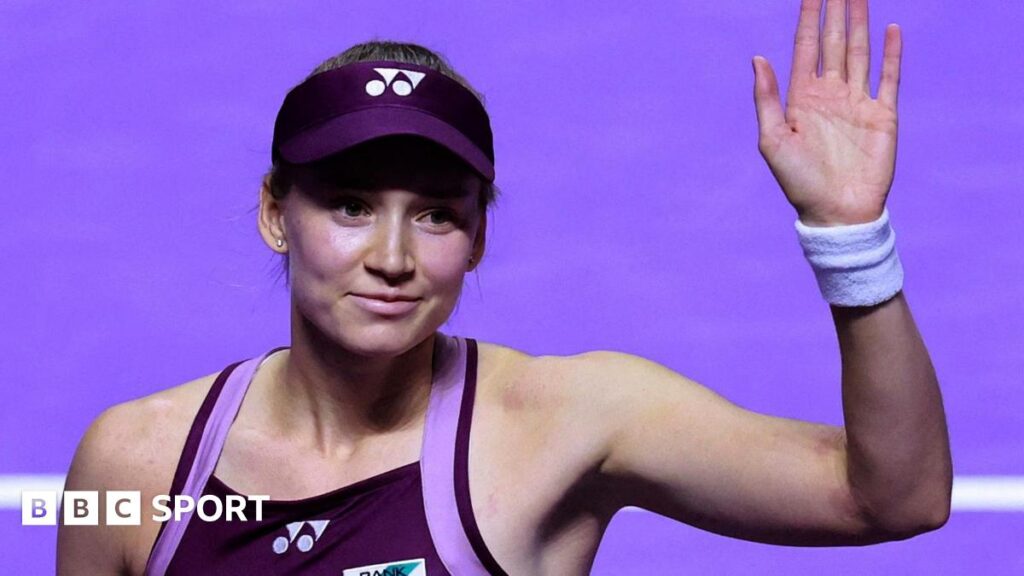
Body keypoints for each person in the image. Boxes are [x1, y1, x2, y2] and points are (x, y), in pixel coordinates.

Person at [57, 0, 952, 574]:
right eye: (352, 206)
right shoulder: (133, 465)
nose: (393, 257)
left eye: (436, 215)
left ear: (478, 238)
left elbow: (896, 498)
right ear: (275, 214)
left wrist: (850, 237)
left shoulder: (570, 425)